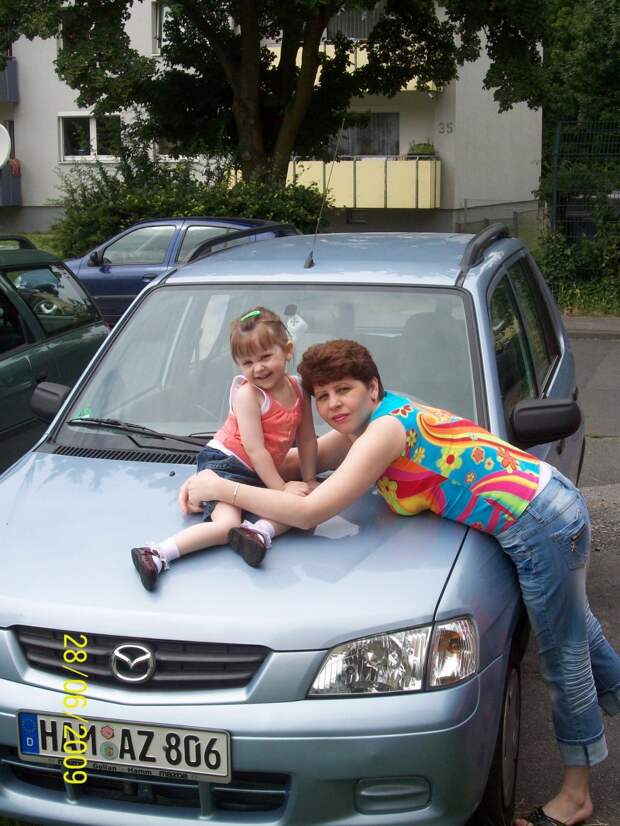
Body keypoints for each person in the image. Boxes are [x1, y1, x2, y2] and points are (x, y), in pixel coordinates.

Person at [180, 339, 620, 826]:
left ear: (373, 388)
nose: (333, 405)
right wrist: (216, 470)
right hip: (547, 501)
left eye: (344, 390)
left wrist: (222, 488)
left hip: (540, 521)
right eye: (322, 396)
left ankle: (576, 797)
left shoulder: (385, 431)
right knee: (580, 631)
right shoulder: (363, 426)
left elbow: (310, 512)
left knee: (565, 655)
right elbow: (290, 462)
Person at [131, 307, 317, 590]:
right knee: (225, 526)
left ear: (288, 350)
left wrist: (310, 478)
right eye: (247, 362)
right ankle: (157, 554)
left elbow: (307, 439)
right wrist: (280, 490)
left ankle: (258, 533)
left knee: (305, 499)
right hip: (224, 465)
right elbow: (255, 451)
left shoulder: (300, 389)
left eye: (266, 357)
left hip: (257, 472)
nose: (258, 368)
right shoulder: (248, 395)